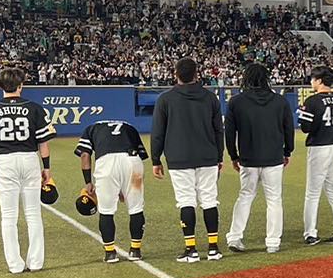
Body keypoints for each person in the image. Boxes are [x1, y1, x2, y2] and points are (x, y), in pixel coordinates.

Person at [0, 66, 55, 274]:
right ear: (21, 85)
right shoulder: (34, 108)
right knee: (33, 214)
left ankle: (15, 265)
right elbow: (43, 143)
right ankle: (36, 262)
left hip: (6, 161)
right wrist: (46, 168)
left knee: (8, 216)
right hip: (29, 159)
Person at [151, 57, 225, 262]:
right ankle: (213, 247)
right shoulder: (210, 98)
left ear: (175, 74)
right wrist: (219, 156)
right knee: (209, 200)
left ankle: (191, 249)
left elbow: (158, 132)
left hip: (178, 157)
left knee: (186, 202)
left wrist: (155, 159)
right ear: (196, 74)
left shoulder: (165, 99)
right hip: (208, 156)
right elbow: (219, 130)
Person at [225, 63, 294, 254]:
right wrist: (287, 151)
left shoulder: (236, 102)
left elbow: (229, 132)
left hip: (248, 158)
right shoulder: (280, 101)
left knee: (245, 196)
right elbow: (289, 129)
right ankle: (273, 242)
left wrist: (233, 155)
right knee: (274, 199)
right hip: (273, 157)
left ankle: (235, 236)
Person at [75, 118, 147, 263]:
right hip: (132, 161)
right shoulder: (129, 126)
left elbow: (84, 155)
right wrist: (123, 187)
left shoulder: (91, 128)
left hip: (106, 162)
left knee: (106, 210)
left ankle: (110, 253)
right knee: (136, 208)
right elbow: (140, 154)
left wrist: (88, 181)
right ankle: (135, 250)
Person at [297, 66, 333, 245]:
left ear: (320, 81)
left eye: (313, 79)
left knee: (312, 193)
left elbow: (305, 127)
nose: (311, 82)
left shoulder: (313, 101)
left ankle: (310, 233)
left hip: (319, 147)